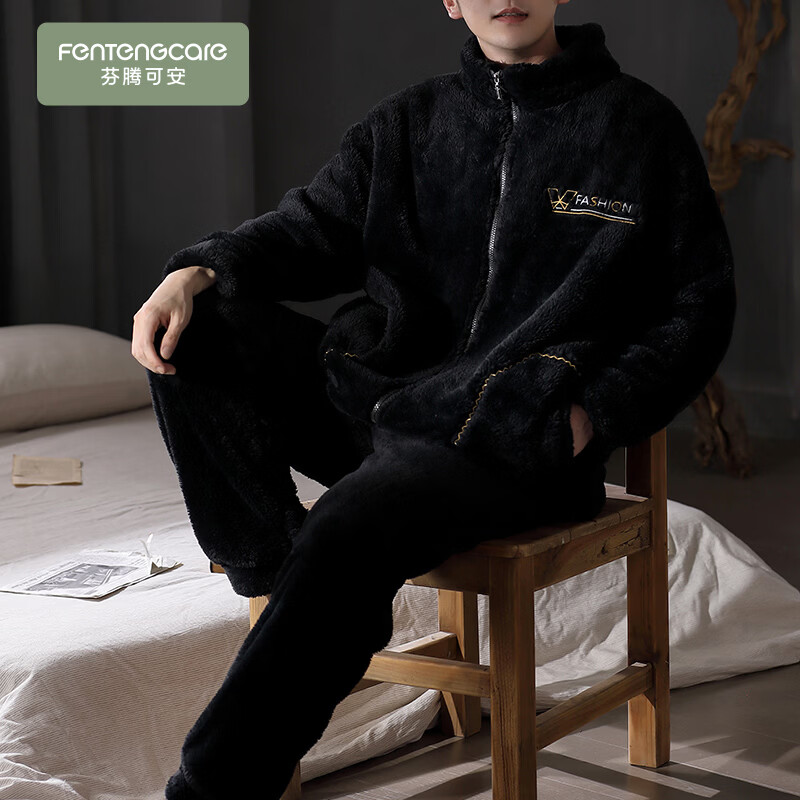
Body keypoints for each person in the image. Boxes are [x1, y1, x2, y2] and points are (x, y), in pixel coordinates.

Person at [131, 1, 737, 797]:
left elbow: (698, 308)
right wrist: (194, 270)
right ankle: (288, 573)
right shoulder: (409, 124)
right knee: (193, 330)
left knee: (347, 525)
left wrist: (592, 413)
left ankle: (211, 788)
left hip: (511, 441)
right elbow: (305, 230)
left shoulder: (639, 128)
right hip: (378, 405)